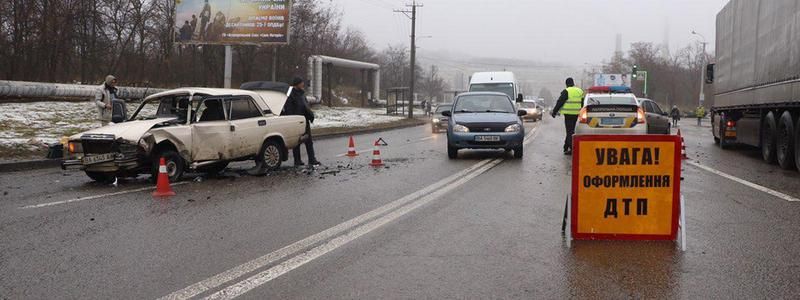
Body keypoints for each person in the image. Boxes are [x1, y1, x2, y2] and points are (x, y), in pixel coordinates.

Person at [283, 77, 320, 166]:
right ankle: (297, 160)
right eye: (301, 83)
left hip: (304, 120)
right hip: (296, 121)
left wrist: (310, 115)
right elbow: (289, 109)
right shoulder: (291, 95)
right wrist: (292, 119)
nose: (303, 84)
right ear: (297, 84)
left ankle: (312, 159)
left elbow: (305, 105)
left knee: (309, 141)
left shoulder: (302, 94)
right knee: (297, 142)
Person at [550, 77, 584, 155]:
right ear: (573, 83)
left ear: (566, 84)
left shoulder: (566, 91)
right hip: (576, 114)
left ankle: (572, 148)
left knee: (569, 131)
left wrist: (554, 112)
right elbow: (582, 103)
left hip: (568, 114)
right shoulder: (580, 91)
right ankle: (566, 147)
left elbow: (560, 102)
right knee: (571, 130)